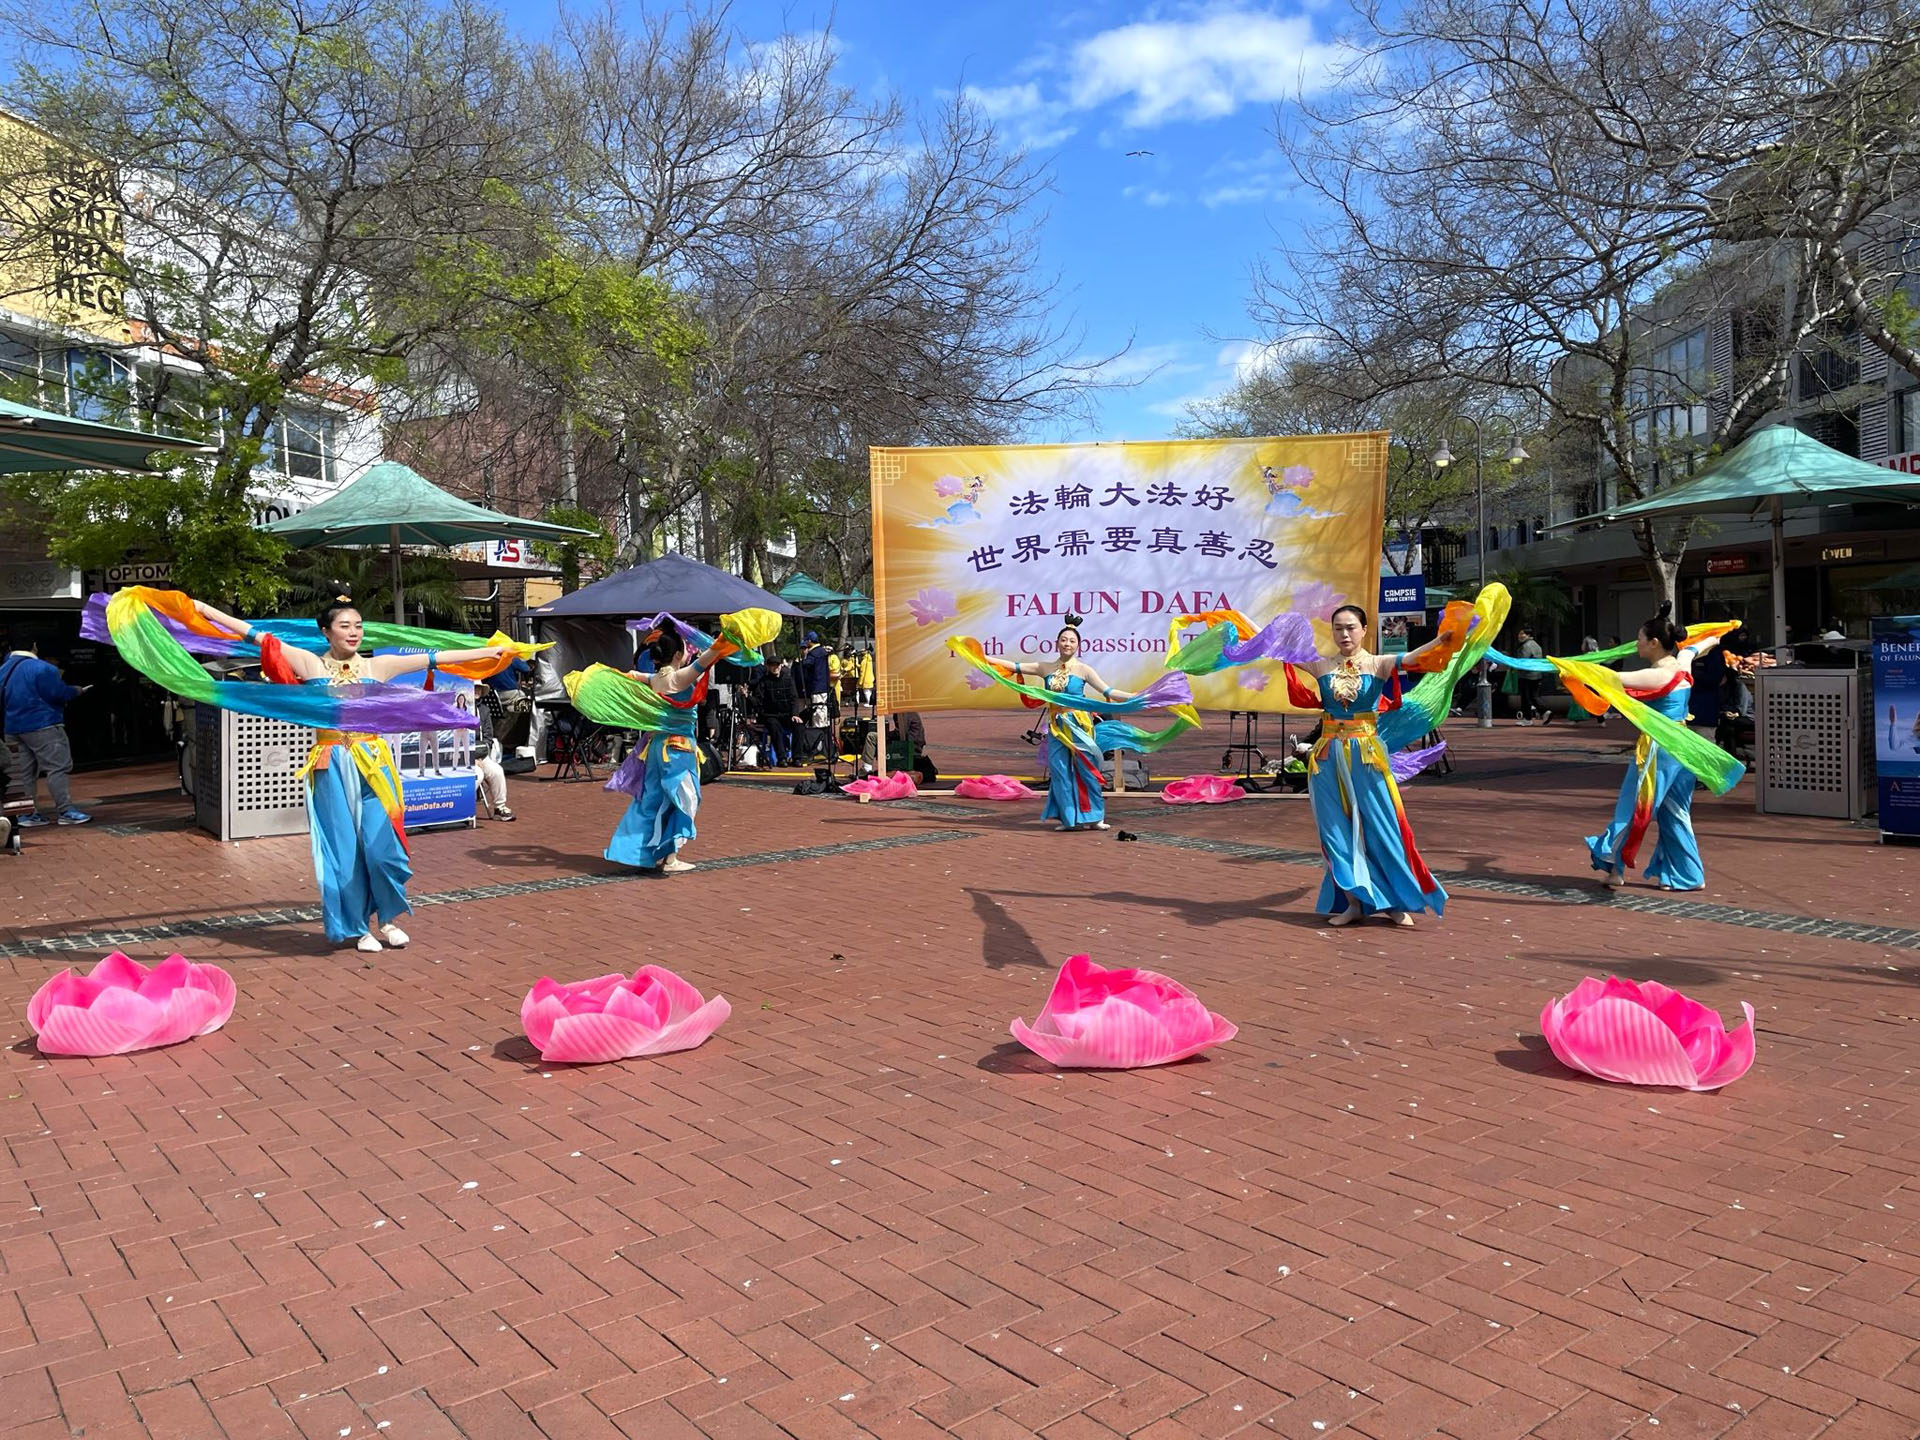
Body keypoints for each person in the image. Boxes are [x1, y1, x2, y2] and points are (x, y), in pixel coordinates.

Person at [190, 593, 513, 952]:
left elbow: (435, 656)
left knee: (383, 849)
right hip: (330, 764)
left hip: (374, 764)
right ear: (326, 632)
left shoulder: (378, 666)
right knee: (343, 852)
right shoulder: (310, 664)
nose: (354, 632)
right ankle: (359, 929)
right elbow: (254, 635)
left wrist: (490, 651)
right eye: (345, 626)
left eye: (358, 625)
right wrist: (205, 609)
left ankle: (387, 920)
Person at [1279, 603, 1468, 926]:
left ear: (1364, 630)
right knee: (1334, 832)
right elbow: (1274, 644)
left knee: (1382, 828)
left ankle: (1395, 902)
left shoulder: (1378, 663)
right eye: (1338, 628)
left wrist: (1441, 640)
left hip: (1366, 755)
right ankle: (1354, 903)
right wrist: (1242, 625)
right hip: (1327, 759)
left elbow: (1413, 658)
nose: (1344, 634)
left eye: (1351, 627)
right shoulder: (1321, 665)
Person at [1586, 604, 1723, 892]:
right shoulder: (1682, 662)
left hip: (1658, 750)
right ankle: (1689, 875)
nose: (1636, 644)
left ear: (1654, 643)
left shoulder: (1657, 676)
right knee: (1675, 811)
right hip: (1683, 747)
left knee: (1634, 808)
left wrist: (1574, 667)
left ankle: (1613, 866)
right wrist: (1716, 635)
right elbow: (1697, 647)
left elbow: (1611, 679)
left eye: (1639, 639)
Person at [604, 623, 724, 873]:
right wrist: (730, 636)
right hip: (677, 750)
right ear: (678, 654)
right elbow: (710, 656)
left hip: (655, 747)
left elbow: (634, 675)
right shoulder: (679, 678)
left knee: (651, 800)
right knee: (684, 800)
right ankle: (670, 858)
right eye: (686, 650)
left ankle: (637, 854)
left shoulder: (655, 678)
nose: (689, 653)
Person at [1000, 615, 1134, 831]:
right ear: (1057, 643)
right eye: (1063, 640)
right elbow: (1015, 667)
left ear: (1078, 645)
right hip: (1056, 726)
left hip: (1079, 726)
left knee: (1086, 769)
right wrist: (981, 657)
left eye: (1072, 640)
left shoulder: (1084, 670)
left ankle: (1095, 817)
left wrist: (1136, 697)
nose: (1067, 644)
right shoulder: (1045, 667)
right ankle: (1070, 819)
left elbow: (1109, 692)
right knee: (1059, 770)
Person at [0, 639, 92, 827]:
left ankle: (25, 815)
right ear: (34, 646)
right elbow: (58, 694)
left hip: (12, 727)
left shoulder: (3, 670)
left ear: (10, 648)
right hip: (43, 724)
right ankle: (66, 811)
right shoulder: (43, 668)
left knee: (21, 773)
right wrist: (76, 691)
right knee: (57, 767)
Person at [473, 684, 515, 820]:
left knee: (497, 771)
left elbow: (488, 737)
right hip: (462, 756)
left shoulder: (484, 710)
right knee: (477, 775)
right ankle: (461, 808)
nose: (477, 690)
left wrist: (480, 757)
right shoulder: (459, 709)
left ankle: (500, 807)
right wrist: (471, 758)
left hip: (480, 754)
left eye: (479, 688)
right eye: (474, 687)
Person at [756, 655, 800, 766]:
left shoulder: (788, 680)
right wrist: (747, 696)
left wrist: (795, 714)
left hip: (787, 715)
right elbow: (758, 700)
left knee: (799, 726)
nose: (775, 668)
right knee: (774, 727)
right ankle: (782, 758)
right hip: (771, 715)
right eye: (772, 665)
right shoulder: (764, 681)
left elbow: (794, 699)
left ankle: (797, 758)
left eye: (777, 665)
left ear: (781, 666)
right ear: (768, 667)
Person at [799, 632, 833, 759]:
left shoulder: (814, 653)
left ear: (809, 641)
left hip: (817, 688)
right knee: (822, 716)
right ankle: (822, 746)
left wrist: (803, 658)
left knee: (818, 718)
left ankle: (819, 747)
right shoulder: (822, 652)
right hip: (823, 687)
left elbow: (806, 665)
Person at [1514, 627, 1548, 725]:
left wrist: (1515, 665)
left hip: (1526, 675)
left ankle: (1529, 718)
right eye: (1519, 634)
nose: (1519, 636)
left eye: (1522, 634)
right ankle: (1544, 712)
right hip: (1536, 674)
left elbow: (1523, 660)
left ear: (1528, 635)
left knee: (1526, 697)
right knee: (1533, 696)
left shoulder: (1526, 646)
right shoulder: (1536, 645)